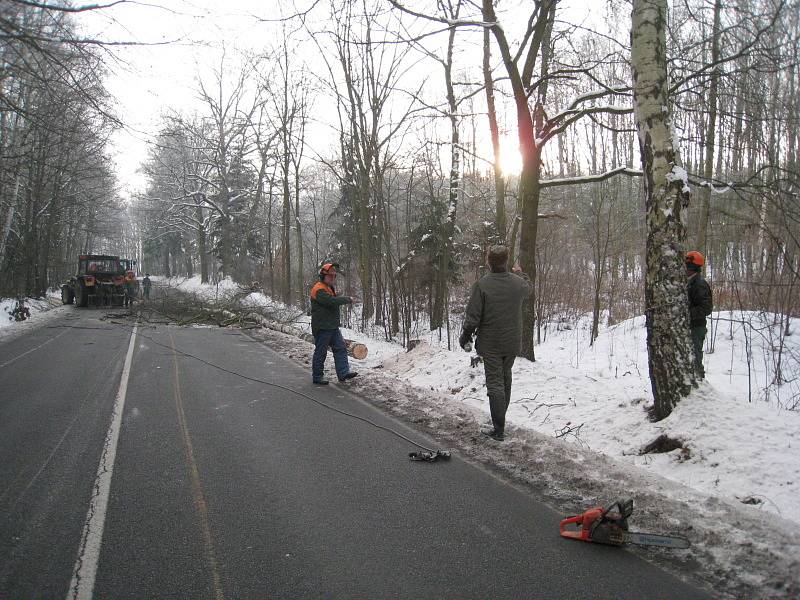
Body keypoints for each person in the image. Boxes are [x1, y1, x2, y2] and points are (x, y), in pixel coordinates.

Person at [459, 245, 534, 441]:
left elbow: (473, 317)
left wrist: (465, 336)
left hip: (490, 343)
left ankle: (498, 429)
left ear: (488, 261)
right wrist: (521, 273)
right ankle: (499, 422)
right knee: (505, 378)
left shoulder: (482, 285)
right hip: (511, 343)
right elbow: (529, 288)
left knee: (495, 383)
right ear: (506, 260)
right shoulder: (518, 283)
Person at [309, 263, 359, 385]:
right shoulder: (319, 289)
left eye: (334, 276)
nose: (332, 278)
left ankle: (343, 373)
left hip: (332, 326)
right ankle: (317, 376)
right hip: (322, 327)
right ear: (323, 276)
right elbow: (331, 302)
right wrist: (347, 299)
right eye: (330, 276)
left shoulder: (328, 287)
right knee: (321, 352)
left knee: (341, 348)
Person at [686, 250, 713, 379]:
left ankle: (700, 383)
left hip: (696, 327)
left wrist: (687, 314)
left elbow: (706, 308)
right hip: (690, 326)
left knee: (695, 358)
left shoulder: (699, 284)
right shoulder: (689, 282)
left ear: (692, 267)